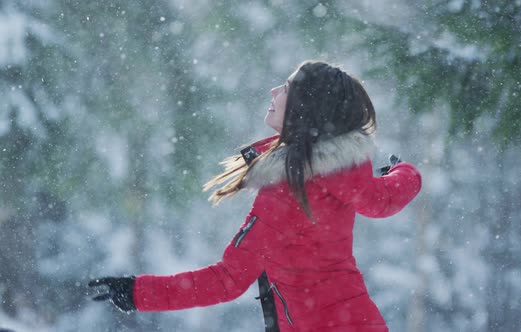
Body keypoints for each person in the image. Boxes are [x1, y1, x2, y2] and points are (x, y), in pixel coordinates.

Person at [88, 61, 422, 331]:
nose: (274, 91)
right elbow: (383, 199)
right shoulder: (343, 172)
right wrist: (405, 171)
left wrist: (137, 293)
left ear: (306, 106)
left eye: (287, 88)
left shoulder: (288, 190)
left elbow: (227, 280)